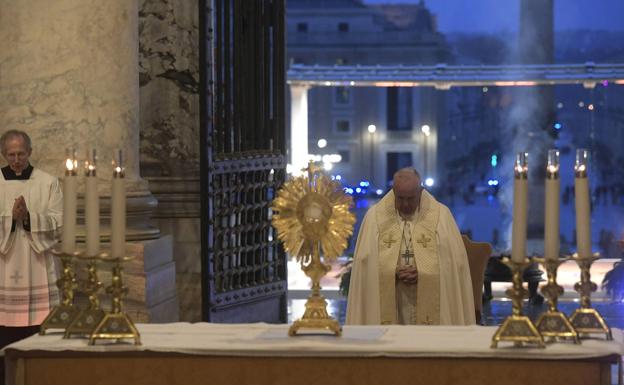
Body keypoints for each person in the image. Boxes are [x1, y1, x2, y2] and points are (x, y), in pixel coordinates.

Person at [346, 167, 475, 325]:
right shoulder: (375, 218)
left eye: (411, 198)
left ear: (420, 192)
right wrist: (391, 270)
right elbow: (364, 264)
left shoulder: (441, 216)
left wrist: (425, 272)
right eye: (400, 198)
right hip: (393, 301)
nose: (405, 204)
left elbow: (455, 265)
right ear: (393, 191)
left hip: (430, 301)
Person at [0, 130, 62, 350]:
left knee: (38, 332)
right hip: (4, 267)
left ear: (30, 152)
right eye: (11, 155)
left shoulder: (48, 182)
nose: (17, 160)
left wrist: (28, 218)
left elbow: (58, 223)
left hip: (37, 265)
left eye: (21, 154)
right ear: (3, 154)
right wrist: (11, 218)